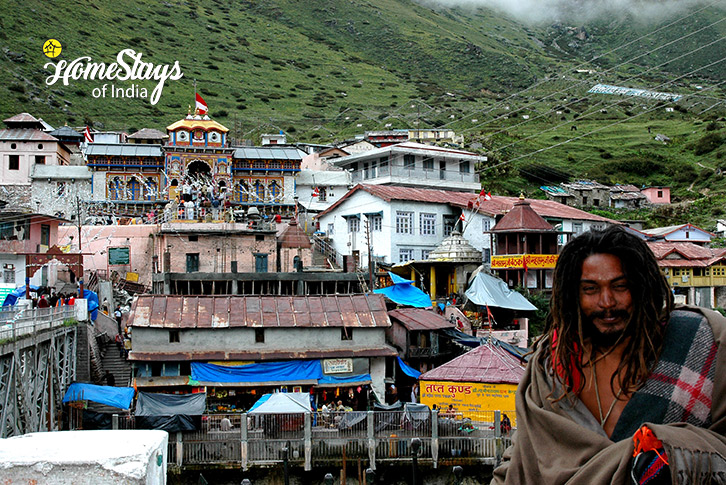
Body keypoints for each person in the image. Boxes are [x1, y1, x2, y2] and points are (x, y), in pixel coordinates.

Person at [492, 225, 726, 484]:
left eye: (620, 286)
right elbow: (524, 454)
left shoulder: (699, 341)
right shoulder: (553, 364)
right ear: (573, 295)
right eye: (590, 289)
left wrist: (670, 447)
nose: (607, 302)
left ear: (641, 286)